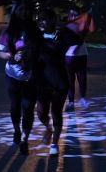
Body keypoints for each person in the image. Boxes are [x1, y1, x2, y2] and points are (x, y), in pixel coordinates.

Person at [0, 3, 41, 155]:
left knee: (28, 108)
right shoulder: (8, 32)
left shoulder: (35, 31)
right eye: (21, 9)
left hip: (31, 76)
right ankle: (16, 130)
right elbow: (0, 52)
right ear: (15, 12)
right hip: (13, 75)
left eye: (27, 9)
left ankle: (25, 139)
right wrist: (10, 56)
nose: (24, 12)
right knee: (16, 107)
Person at [34, 9, 69, 156]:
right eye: (39, 19)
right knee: (41, 113)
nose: (41, 22)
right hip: (42, 81)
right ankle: (48, 128)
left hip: (59, 80)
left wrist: (60, 26)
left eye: (45, 19)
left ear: (52, 20)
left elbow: (63, 46)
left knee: (56, 113)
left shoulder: (61, 35)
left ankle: (55, 143)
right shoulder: (35, 36)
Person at [64, 6, 94, 111]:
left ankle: (82, 98)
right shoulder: (67, 26)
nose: (73, 16)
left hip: (81, 55)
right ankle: (71, 102)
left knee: (82, 78)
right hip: (68, 56)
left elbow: (85, 34)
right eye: (71, 14)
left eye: (75, 14)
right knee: (70, 79)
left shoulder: (82, 25)